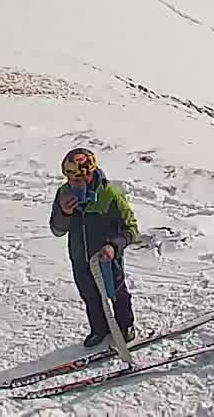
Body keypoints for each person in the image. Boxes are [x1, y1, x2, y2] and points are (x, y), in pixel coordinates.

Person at [49, 147, 140, 348]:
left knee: (116, 291)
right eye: (69, 179)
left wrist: (114, 246)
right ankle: (99, 329)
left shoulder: (110, 195)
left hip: (107, 257)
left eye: (78, 179)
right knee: (89, 293)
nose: (73, 184)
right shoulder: (64, 193)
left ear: (90, 175)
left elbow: (131, 229)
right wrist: (64, 213)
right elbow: (56, 229)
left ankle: (126, 325)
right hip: (80, 256)